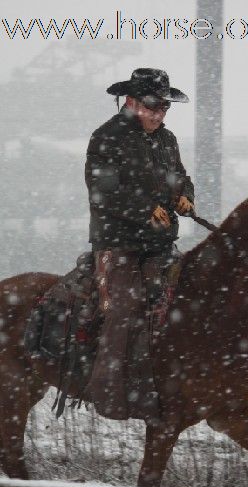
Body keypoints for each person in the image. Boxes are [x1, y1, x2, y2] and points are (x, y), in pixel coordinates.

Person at [84, 68, 194, 422]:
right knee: (125, 308)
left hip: (161, 242)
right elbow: (104, 192)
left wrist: (184, 196)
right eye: (152, 106)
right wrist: (145, 211)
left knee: (182, 302)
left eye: (164, 107)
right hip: (118, 243)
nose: (159, 114)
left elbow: (181, 176)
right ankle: (109, 393)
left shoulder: (167, 139)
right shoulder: (106, 137)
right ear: (131, 102)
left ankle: (166, 385)